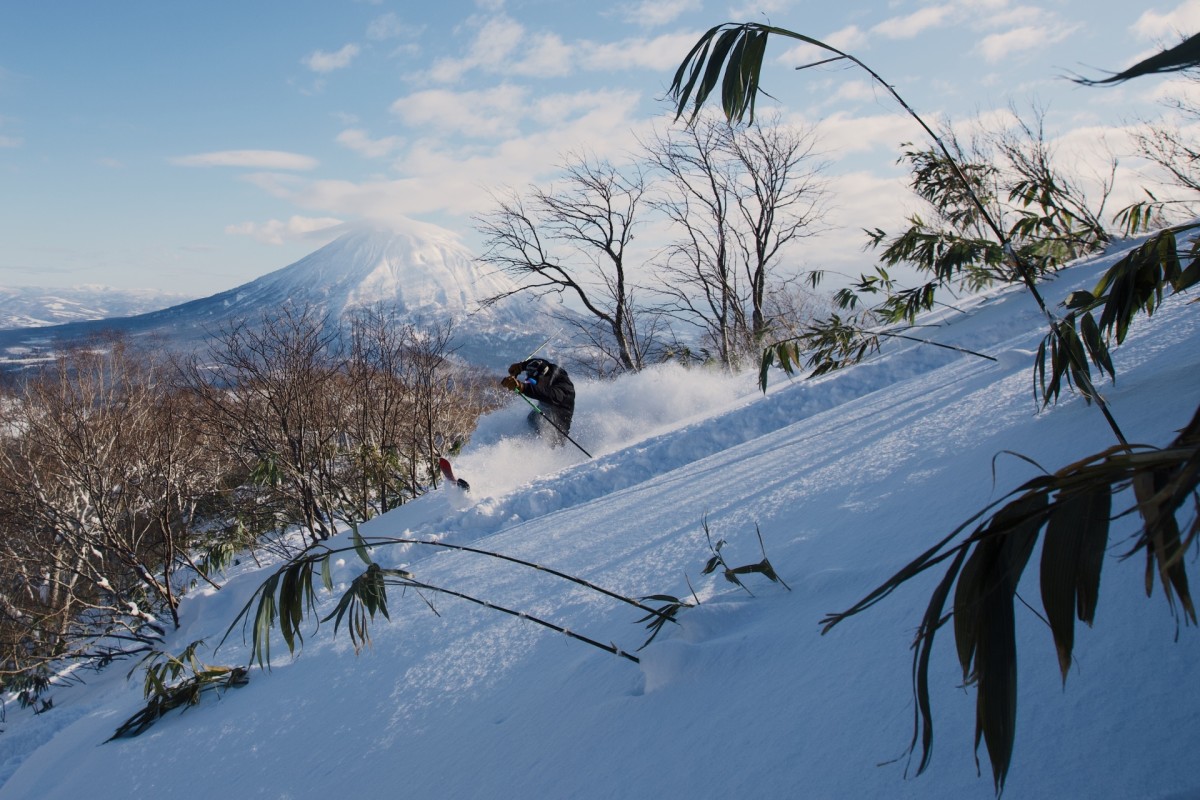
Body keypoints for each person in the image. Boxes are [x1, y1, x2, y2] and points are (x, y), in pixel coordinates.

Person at [501, 358, 575, 446]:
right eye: (529, 382)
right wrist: (521, 366)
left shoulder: (563, 391)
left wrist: (523, 387)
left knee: (549, 439)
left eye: (532, 382)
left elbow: (546, 394)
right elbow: (541, 363)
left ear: (543, 377)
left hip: (557, 427)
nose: (533, 385)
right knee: (530, 419)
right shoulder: (550, 370)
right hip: (544, 410)